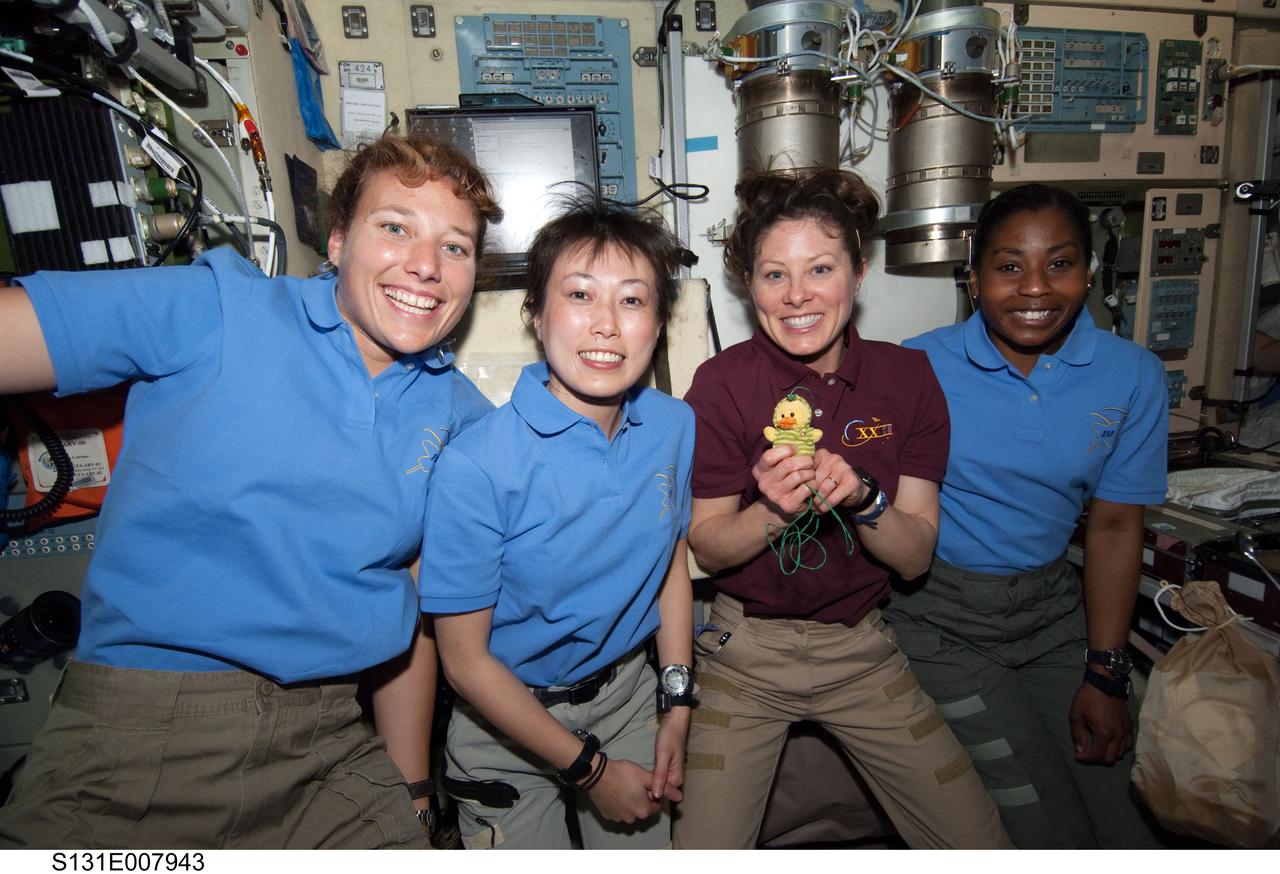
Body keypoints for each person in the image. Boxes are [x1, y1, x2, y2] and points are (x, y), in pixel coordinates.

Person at [0, 133, 502, 848]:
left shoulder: (461, 417)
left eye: (455, 246)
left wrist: (414, 789)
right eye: (396, 227)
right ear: (337, 241)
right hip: (142, 736)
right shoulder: (220, 307)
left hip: (331, 744)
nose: (426, 264)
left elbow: (415, 612)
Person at [672, 169, 1011, 849]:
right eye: (774, 275)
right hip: (746, 656)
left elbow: (914, 558)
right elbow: (707, 545)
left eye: (820, 269)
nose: (796, 295)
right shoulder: (722, 384)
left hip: (863, 651)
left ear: (858, 275)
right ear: (750, 287)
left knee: (978, 843)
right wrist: (773, 509)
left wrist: (864, 497)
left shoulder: (906, 378)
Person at [888, 183, 1169, 848]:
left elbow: (1114, 526)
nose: (1035, 288)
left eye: (1059, 263)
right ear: (974, 277)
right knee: (1041, 820)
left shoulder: (1132, 375)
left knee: (1130, 811)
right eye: (1009, 266)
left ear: (1090, 272)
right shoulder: (914, 366)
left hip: (1054, 614)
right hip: (940, 621)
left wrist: (1106, 669)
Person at [419, 195, 694, 849]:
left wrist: (677, 703)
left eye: (633, 300)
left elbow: (671, 566)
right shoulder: (477, 465)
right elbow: (464, 663)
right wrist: (590, 770)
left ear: (658, 324)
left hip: (628, 697)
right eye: (579, 295)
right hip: (503, 723)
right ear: (537, 314)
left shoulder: (673, 425)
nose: (606, 325)